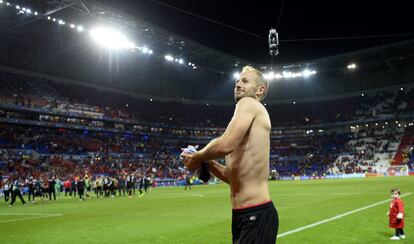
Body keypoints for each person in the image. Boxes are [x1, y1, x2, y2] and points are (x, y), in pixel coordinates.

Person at [181, 66, 278, 243]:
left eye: (245, 81)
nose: (238, 84)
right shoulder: (248, 116)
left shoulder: (248, 103)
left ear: (260, 90)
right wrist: (207, 162)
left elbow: (226, 144)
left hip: (254, 213)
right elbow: (231, 176)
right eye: (237, 82)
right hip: (246, 215)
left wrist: (197, 156)